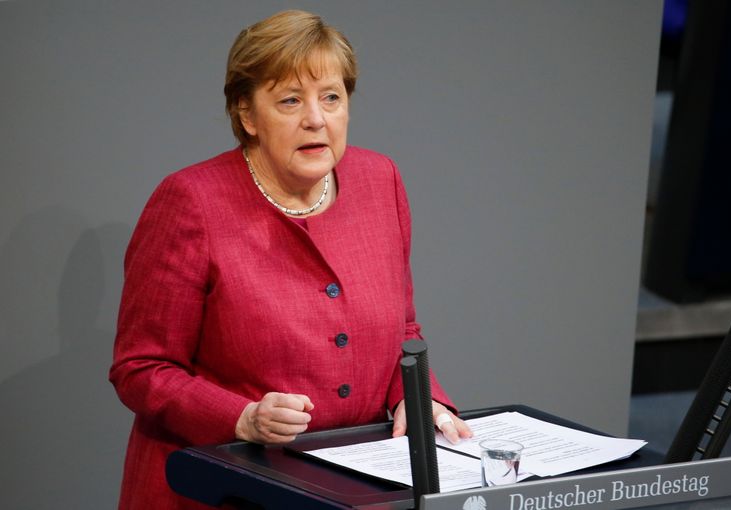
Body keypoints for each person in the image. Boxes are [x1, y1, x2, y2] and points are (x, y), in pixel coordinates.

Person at [109, 10, 472, 509]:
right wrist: (242, 417)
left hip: (351, 491)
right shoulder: (191, 202)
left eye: (331, 97)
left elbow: (403, 329)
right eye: (289, 100)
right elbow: (142, 367)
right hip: (220, 489)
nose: (316, 118)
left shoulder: (379, 180)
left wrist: (417, 396)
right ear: (246, 114)